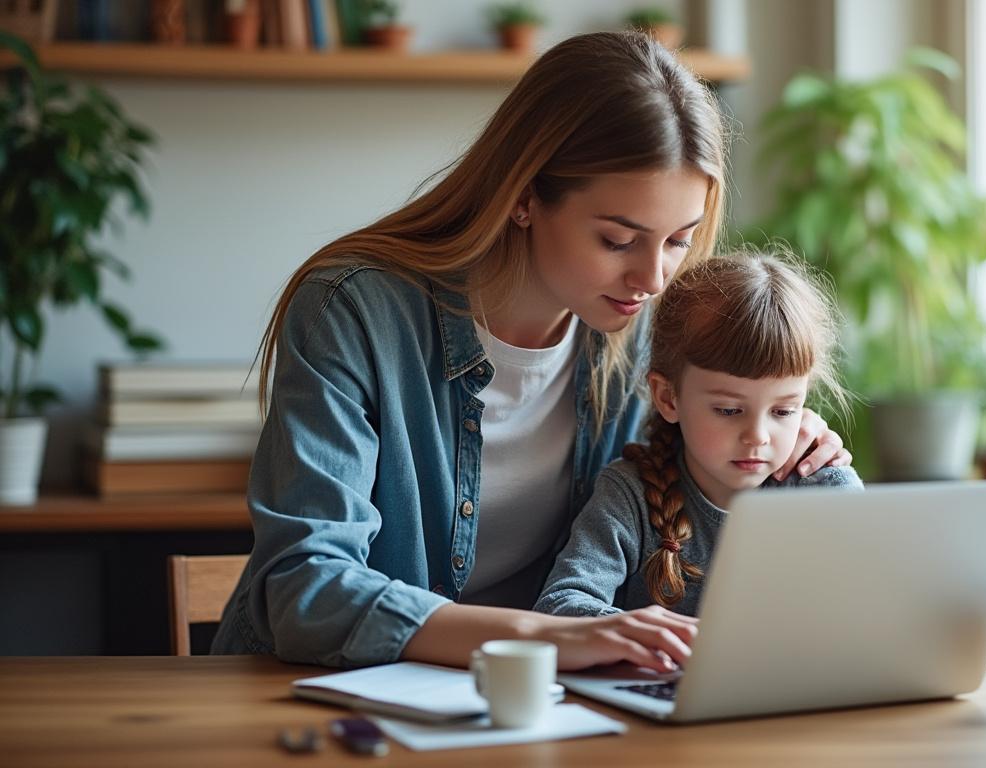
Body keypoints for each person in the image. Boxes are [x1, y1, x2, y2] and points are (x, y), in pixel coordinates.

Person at [211, 32, 851, 672]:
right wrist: (547, 637)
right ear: (524, 196)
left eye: (679, 241)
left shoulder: (647, 340)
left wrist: (778, 426)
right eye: (618, 239)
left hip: (548, 705)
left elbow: (689, 496)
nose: (654, 278)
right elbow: (304, 588)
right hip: (332, 695)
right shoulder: (354, 312)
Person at [535, 252, 863, 618]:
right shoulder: (630, 496)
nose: (757, 436)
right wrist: (652, 635)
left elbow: (881, 606)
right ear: (667, 397)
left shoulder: (824, 490)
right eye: (728, 410)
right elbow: (560, 605)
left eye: (783, 411)